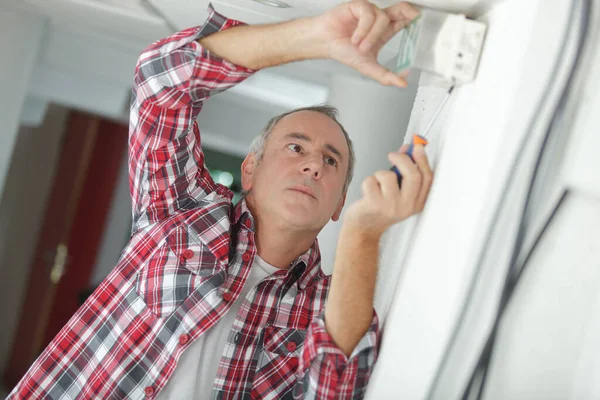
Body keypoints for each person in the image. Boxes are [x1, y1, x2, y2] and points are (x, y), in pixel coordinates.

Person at [8, 0, 432, 398]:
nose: (313, 166)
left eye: (330, 160)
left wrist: (363, 232)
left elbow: (333, 388)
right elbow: (160, 81)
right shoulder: (180, 210)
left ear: (339, 203)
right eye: (295, 148)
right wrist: (315, 38)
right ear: (250, 169)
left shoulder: (326, 307)